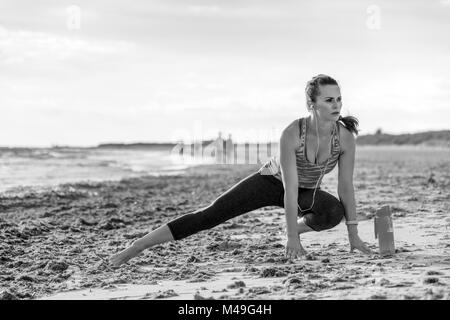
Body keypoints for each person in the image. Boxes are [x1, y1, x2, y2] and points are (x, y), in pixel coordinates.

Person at [110, 74, 372, 267]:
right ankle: (136, 246)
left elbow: (345, 187)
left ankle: (294, 227)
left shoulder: (345, 137)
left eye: (339, 99)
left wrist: (353, 235)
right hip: (271, 182)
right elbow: (288, 189)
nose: (336, 105)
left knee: (333, 212)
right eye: (329, 100)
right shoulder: (293, 133)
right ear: (312, 105)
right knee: (209, 215)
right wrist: (293, 240)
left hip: (306, 190)